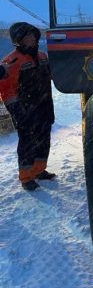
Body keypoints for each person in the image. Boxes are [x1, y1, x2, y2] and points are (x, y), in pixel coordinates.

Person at [0, 22, 55, 191]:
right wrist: (18, 112)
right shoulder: (11, 61)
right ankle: (26, 177)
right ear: (18, 40)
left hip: (44, 107)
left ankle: (39, 170)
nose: (31, 39)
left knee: (44, 139)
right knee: (27, 142)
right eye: (27, 37)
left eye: (33, 35)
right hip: (25, 110)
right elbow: (6, 90)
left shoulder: (43, 57)